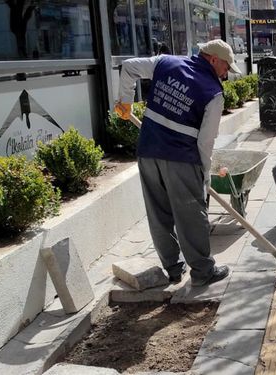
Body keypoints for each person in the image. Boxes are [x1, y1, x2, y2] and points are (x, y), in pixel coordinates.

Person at [114, 39, 242, 287]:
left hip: (148, 151)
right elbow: (206, 142)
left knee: (158, 212)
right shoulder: (213, 93)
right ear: (213, 59)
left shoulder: (166, 62)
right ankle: (203, 271)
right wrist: (205, 175)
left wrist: (125, 101)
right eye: (226, 67)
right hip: (182, 159)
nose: (227, 73)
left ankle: (173, 269)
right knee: (191, 215)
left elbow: (129, 67)